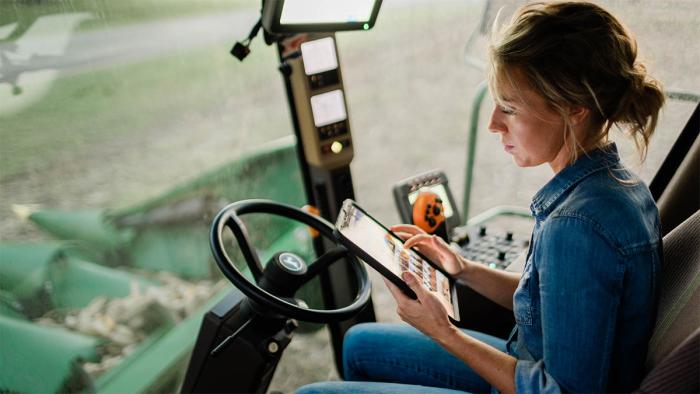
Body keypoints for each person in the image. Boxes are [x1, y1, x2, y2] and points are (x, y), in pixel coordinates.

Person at [297, 1, 665, 393]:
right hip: (528, 360)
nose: (492, 123)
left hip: (532, 380)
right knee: (358, 343)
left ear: (574, 108)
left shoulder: (577, 227)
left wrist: (444, 333)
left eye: (508, 108)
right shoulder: (615, 186)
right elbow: (553, 305)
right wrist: (465, 269)